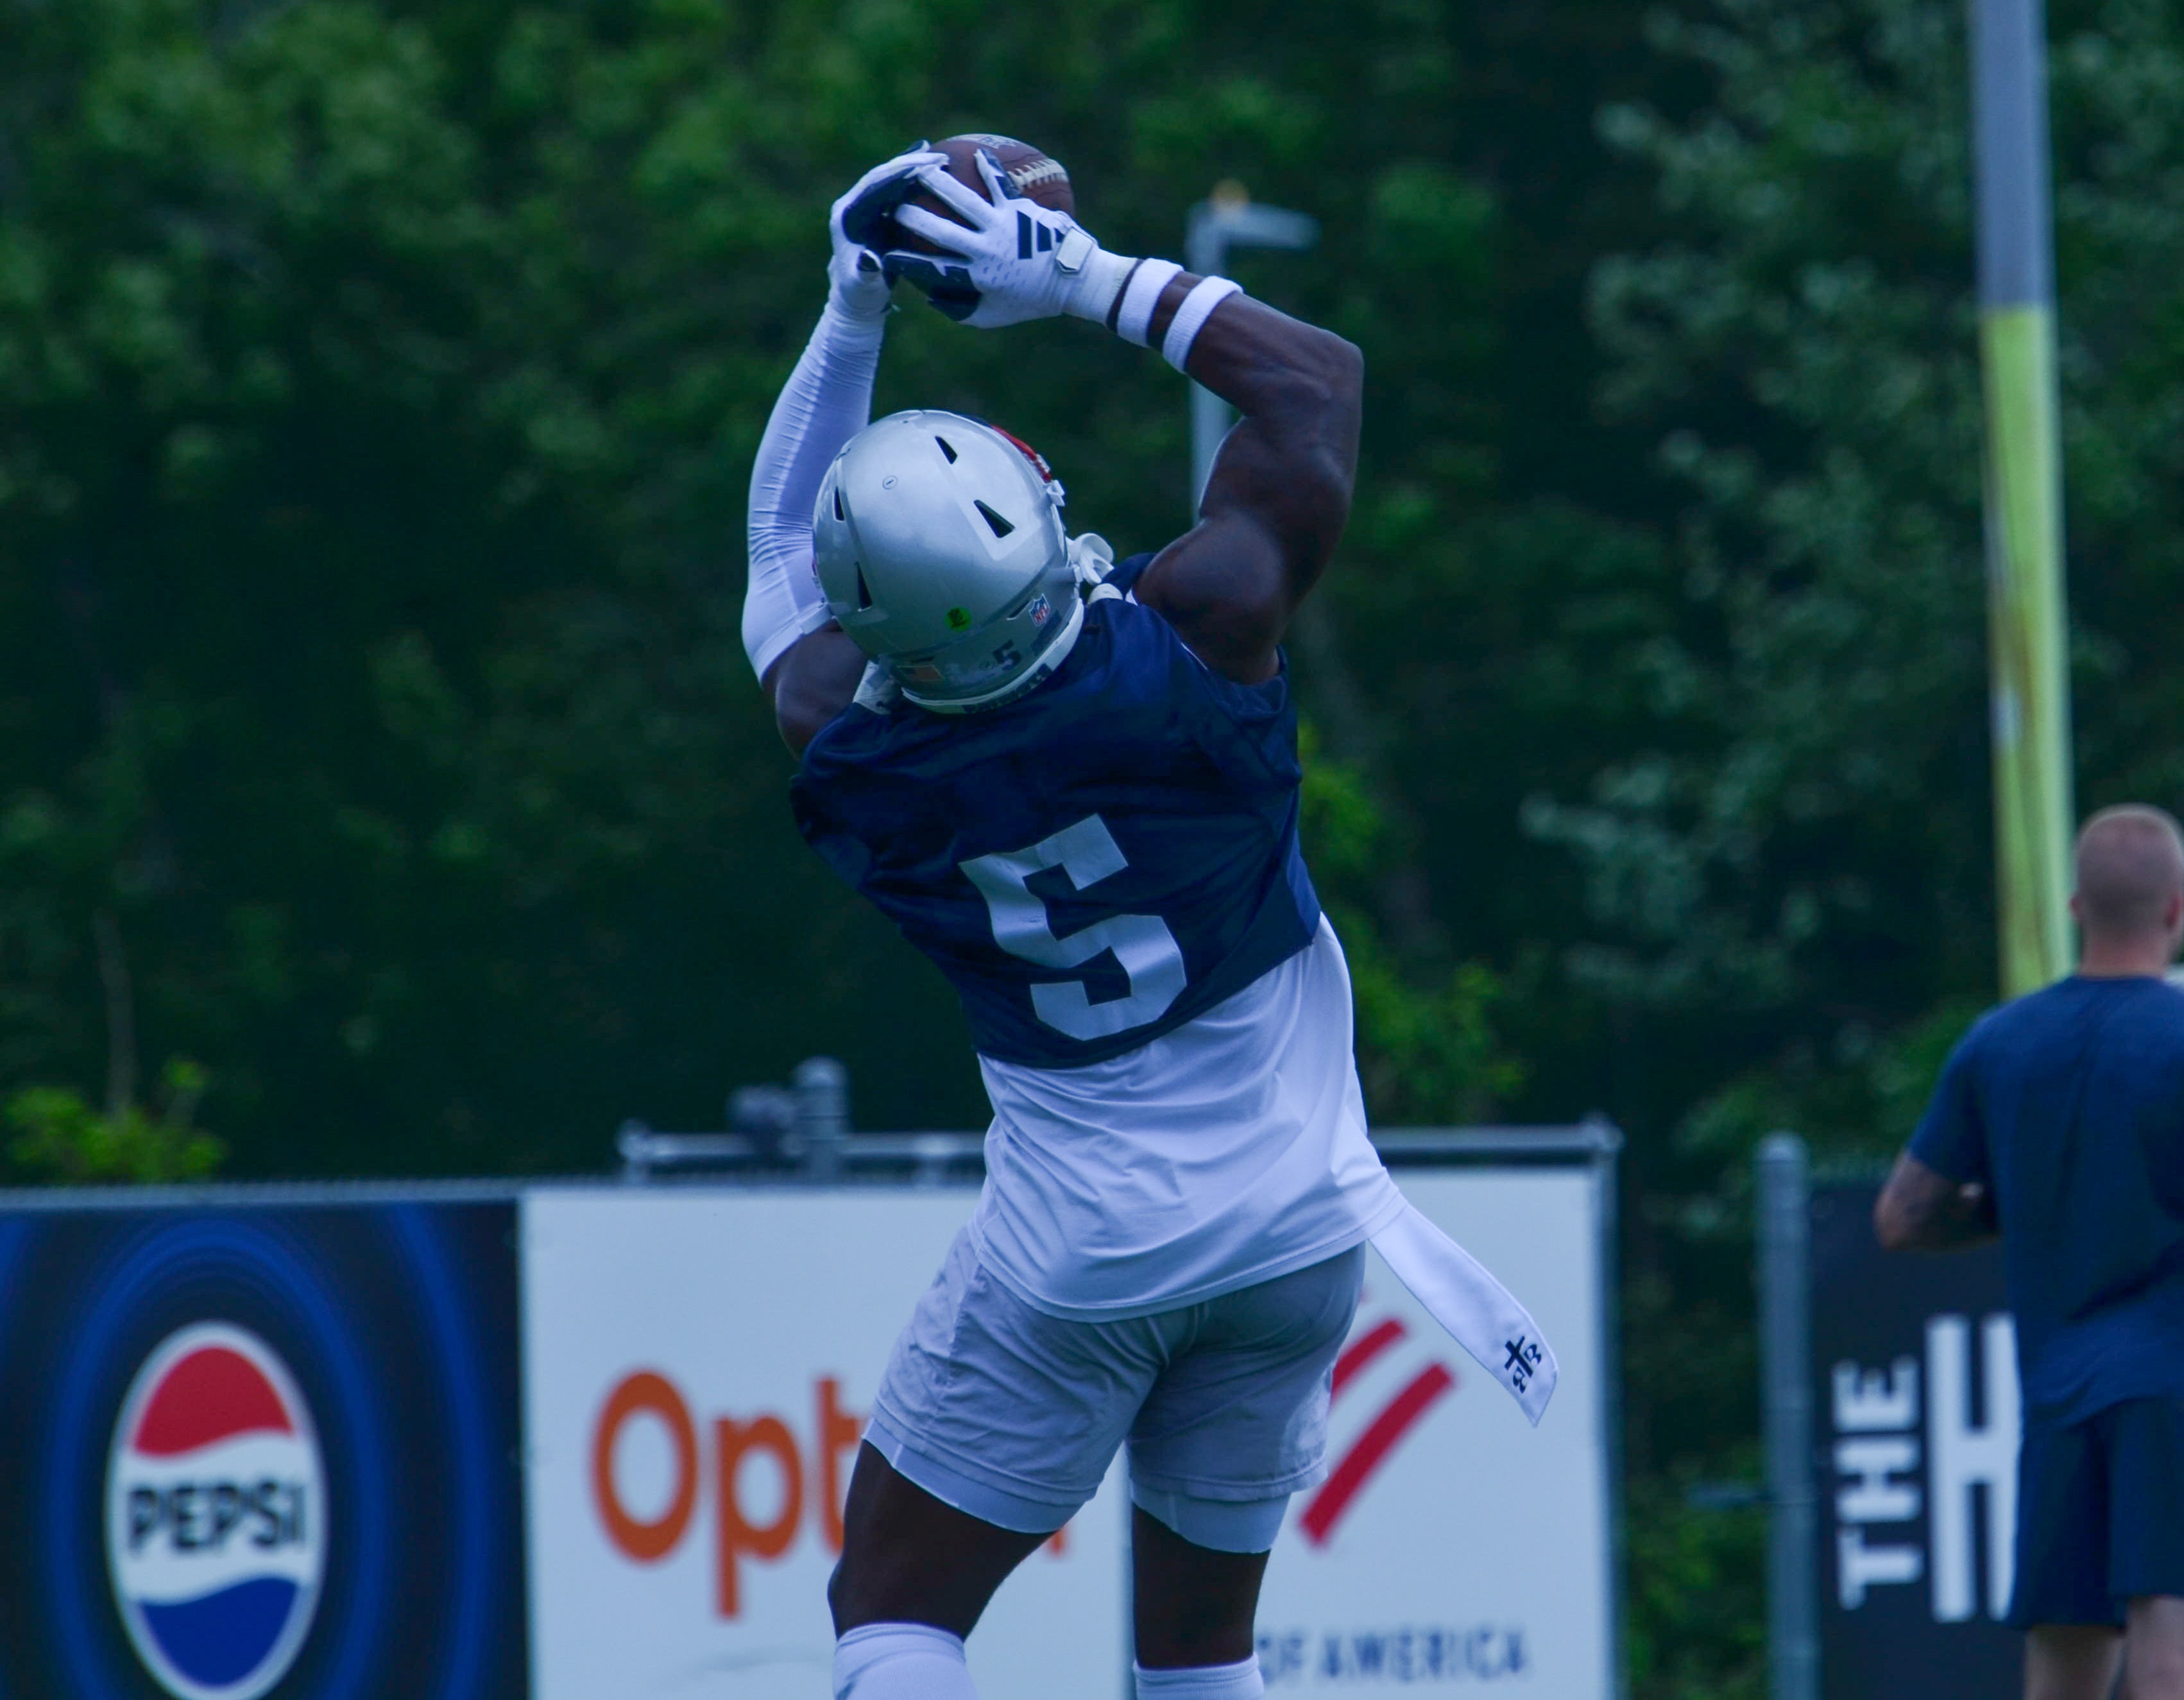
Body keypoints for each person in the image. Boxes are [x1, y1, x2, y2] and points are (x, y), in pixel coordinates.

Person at [741, 144, 1556, 1700]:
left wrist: (854, 298)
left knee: (894, 1611)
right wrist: (1077, 275)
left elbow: (780, 550)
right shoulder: (1205, 630)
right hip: (1300, 1221)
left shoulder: (843, 740)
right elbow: (1313, 386)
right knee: (1196, 1650)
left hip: (1082, 1253)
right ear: (1039, 519)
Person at [1877, 804, 2184, 1700]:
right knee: (2168, 1642)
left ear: (2076, 905)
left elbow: (1903, 1217)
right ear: (2176, 910)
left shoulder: (1999, 1042)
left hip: (2056, 1390)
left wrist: (2007, 1206)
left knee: (2062, 1662)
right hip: (2170, 1386)